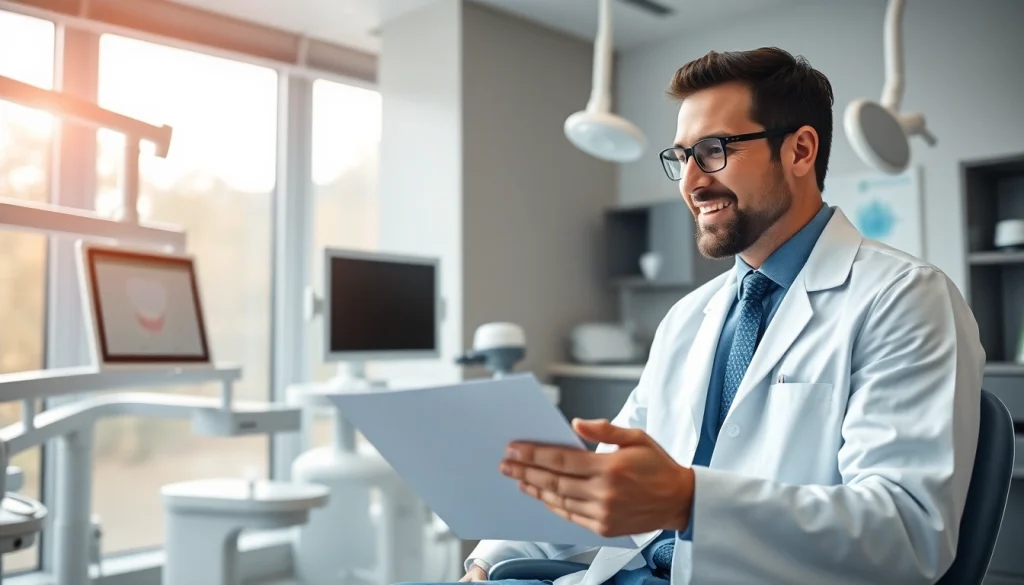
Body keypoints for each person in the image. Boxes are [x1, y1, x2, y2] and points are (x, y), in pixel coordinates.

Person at [459, 47, 983, 585]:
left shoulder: (904, 299)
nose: (691, 181)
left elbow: (905, 534)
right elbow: (605, 480)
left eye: (713, 150)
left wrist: (691, 501)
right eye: (681, 157)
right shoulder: (689, 316)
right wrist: (488, 558)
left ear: (800, 150)